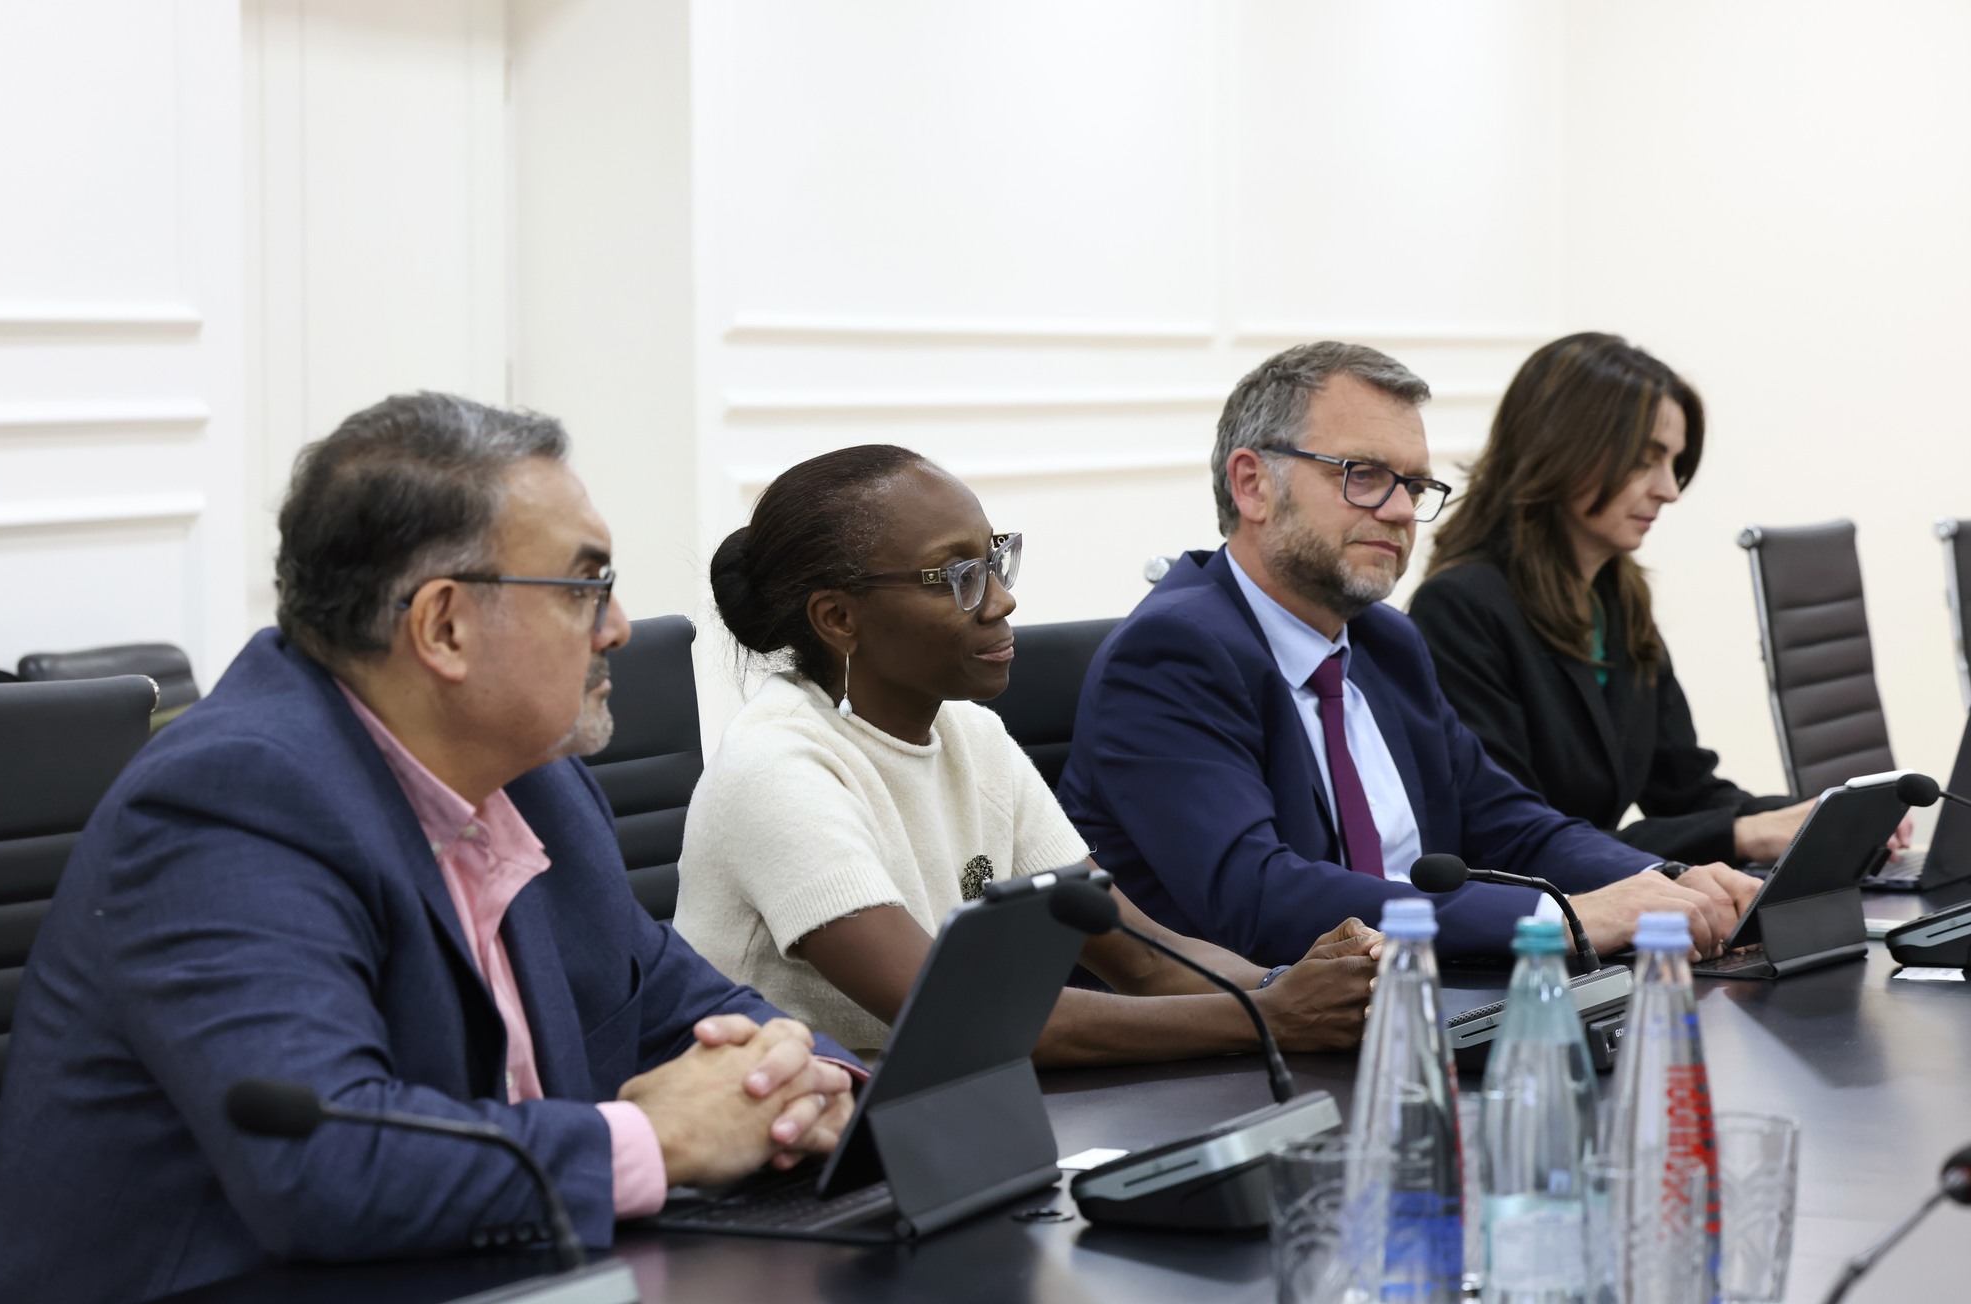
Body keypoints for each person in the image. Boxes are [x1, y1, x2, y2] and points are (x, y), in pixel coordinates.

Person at [0, 395, 859, 1304]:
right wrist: (655, 1140)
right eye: (585, 588)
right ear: (444, 626)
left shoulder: (538, 783)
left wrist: (807, 1078)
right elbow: (322, 1161)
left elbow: (681, 1001)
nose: (616, 626)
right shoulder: (231, 803)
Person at [1057, 342, 1765, 966]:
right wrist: (1561, 917)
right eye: (1362, 474)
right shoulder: (1172, 653)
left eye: (1415, 485)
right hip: (1250, 1046)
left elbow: (1512, 828)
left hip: (1418, 999)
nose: (1400, 510)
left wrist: (1666, 883)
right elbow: (1259, 897)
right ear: (1252, 485)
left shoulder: (1385, 642)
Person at [673, 445, 1381, 1064]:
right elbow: (958, 1015)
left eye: (994, 560)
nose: (1001, 601)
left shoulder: (973, 738)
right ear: (838, 618)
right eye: (958, 576)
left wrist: (1307, 985)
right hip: (787, 1144)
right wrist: (1270, 1016)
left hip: (944, 1119)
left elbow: (1143, 960)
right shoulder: (778, 768)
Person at [1409, 332, 1821, 866]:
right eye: (1645, 460)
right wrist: (1739, 834)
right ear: (1561, 449)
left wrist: (1817, 815)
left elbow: (1686, 789)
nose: (1669, 490)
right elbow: (1515, 841)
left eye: (1673, 463)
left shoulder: (1617, 600)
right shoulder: (1460, 609)